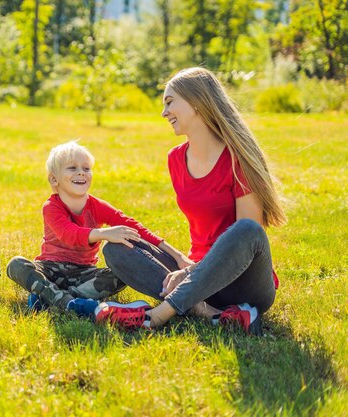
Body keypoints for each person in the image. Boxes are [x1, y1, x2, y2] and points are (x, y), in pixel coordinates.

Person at [103, 67, 287, 335]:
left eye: (169, 102)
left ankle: (161, 313)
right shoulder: (176, 159)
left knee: (247, 230)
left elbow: (248, 239)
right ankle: (206, 311)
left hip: (243, 283)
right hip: (196, 277)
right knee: (117, 248)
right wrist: (185, 267)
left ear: (197, 102)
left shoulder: (239, 159)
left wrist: (190, 275)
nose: (164, 113)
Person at [6, 141, 192, 330]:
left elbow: (136, 228)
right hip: (50, 268)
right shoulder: (51, 207)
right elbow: (69, 234)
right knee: (17, 265)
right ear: (54, 180)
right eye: (72, 168)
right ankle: (70, 303)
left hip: (84, 272)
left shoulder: (96, 205)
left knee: (122, 271)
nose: (81, 172)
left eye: (86, 168)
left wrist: (176, 255)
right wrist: (104, 233)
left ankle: (50, 297)